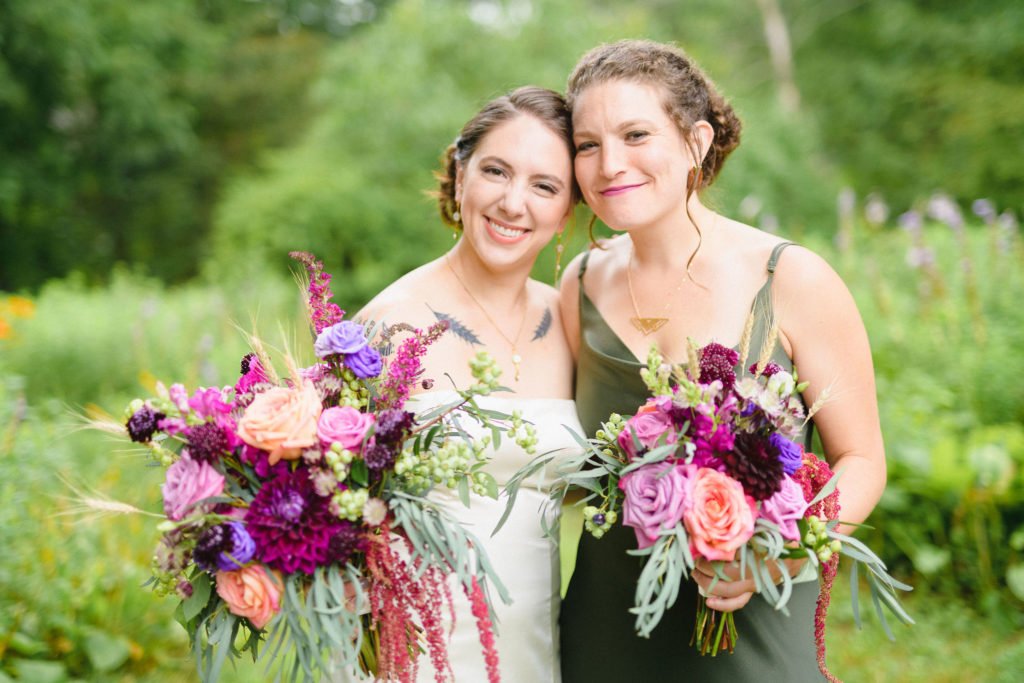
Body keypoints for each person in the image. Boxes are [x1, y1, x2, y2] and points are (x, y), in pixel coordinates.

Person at [557, 40, 887, 681]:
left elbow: (863, 459)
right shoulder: (580, 283)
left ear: (696, 141)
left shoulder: (791, 279)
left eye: (635, 134)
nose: (608, 163)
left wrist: (780, 556)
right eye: (587, 144)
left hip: (749, 627)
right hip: (606, 632)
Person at [356, 86, 582, 682]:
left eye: (544, 186)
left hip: (533, 650)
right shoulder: (390, 323)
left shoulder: (569, 320)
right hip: (408, 650)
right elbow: (329, 494)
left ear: (567, 212)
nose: (513, 202)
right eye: (495, 171)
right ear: (460, 176)